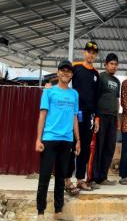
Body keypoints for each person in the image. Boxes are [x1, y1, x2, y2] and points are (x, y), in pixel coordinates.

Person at [36, 60, 81, 220]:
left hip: (67, 140)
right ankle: (40, 212)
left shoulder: (74, 94)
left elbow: (75, 118)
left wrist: (78, 140)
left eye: (68, 71)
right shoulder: (49, 92)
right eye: (63, 70)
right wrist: (38, 139)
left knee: (61, 177)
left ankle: (58, 211)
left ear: (71, 75)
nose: (65, 73)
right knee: (45, 176)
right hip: (49, 139)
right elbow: (42, 115)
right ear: (58, 72)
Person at [65, 41, 100, 193]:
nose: (91, 54)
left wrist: (97, 118)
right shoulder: (76, 67)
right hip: (74, 114)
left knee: (85, 148)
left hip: (89, 116)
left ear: (96, 55)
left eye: (93, 52)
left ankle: (80, 180)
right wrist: (49, 85)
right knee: (72, 146)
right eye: (88, 51)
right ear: (84, 52)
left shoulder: (96, 74)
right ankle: (67, 180)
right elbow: (63, 78)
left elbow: (97, 97)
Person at [90, 53, 121, 186]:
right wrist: (96, 117)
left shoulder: (117, 81)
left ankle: (103, 177)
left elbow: (116, 100)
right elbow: (95, 98)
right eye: (111, 64)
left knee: (110, 147)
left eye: (115, 64)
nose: (113, 66)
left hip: (112, 118)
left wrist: (117, 118)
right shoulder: (100, 77)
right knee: (99, 147)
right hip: (101, 117)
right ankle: (94, 178)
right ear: (106, 65)